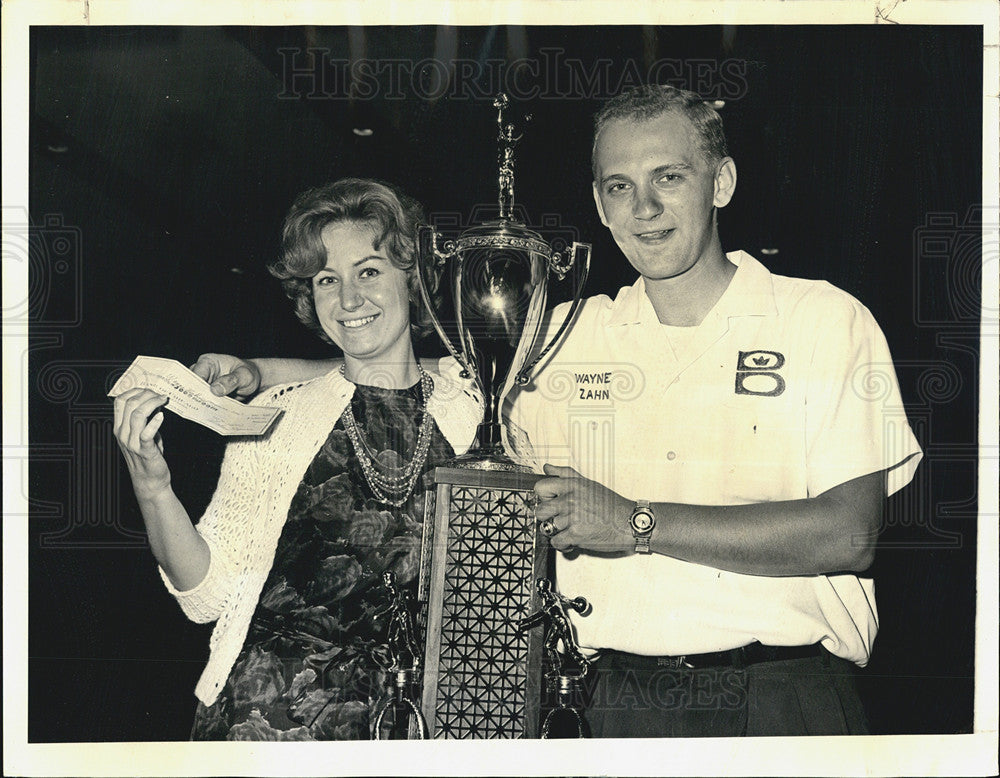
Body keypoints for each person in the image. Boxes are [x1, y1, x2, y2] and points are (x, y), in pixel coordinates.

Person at [193, 85, 923, 738]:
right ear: (600, 205)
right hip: (614, 707)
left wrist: (635, 523)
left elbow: (848, 532)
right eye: (619, 186)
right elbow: (396, 367)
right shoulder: (558, 335)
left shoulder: (823, 318)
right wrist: (262, 371)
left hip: (781, 698)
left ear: (721, 182)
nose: (645, 208)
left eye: (669, 177)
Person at [113, 178, 481, 740]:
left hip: (414, 729)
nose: (349, 299)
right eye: (327, 280)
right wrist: (152, 487)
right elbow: (204, 597)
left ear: (415, 278)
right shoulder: (280, 418)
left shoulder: (474, 411)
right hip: (270, 722)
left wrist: (262, 367)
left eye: (370, 271)